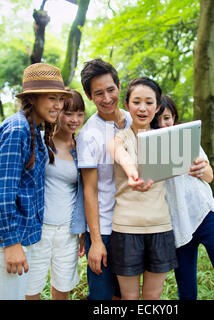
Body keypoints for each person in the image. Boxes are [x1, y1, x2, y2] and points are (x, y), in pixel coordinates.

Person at [0, 63, 72, 300]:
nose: (58, 105)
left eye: (60, 99)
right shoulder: (18, 129)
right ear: (33, 99)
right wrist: (11, 243)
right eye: (51, 98)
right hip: (1, 242)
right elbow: (2, 194)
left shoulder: (33, 129)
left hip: (15, 239)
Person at [151, 95, 214, 300]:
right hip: (177, 225)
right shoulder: (148, 147)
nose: (163, 124)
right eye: (157, 120)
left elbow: (210, 176)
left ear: (175, 118)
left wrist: (201, 169)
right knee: (186, 293)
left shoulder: (187, 140)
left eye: (168, 118)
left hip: (207, 216)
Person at [107, 78, 178, 300]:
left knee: (153, 297)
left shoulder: (166, 141)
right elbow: (121, 155)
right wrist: (132, 173)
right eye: (136, 102)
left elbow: (194, 166)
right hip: (126, 230)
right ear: (127, 105)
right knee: (129, 298)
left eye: (149, 102)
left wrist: (201, 167)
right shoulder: (119, 138)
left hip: (161, 228)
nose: (143, 108)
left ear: (157, 107)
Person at [76, 58, 132, 300]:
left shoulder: (134, 120)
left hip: (132, 225)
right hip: (105, 228)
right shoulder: (88, 135)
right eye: (99, 93)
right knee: (101, 297)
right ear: (89, 96)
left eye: (111, 90)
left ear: (119, 86)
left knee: (125, 294)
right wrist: (96, 241)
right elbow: (90, 191)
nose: (107, 98)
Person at [25, 89, 87, 300]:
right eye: (68, 113)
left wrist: (82, 230)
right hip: (38, 228)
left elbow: (85, 191)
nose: (74, 120)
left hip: (67, 230)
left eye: (79, 114)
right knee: (30, 288)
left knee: (62, 289)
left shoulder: (82, 148)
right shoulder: (38, 140)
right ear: (58, 111)